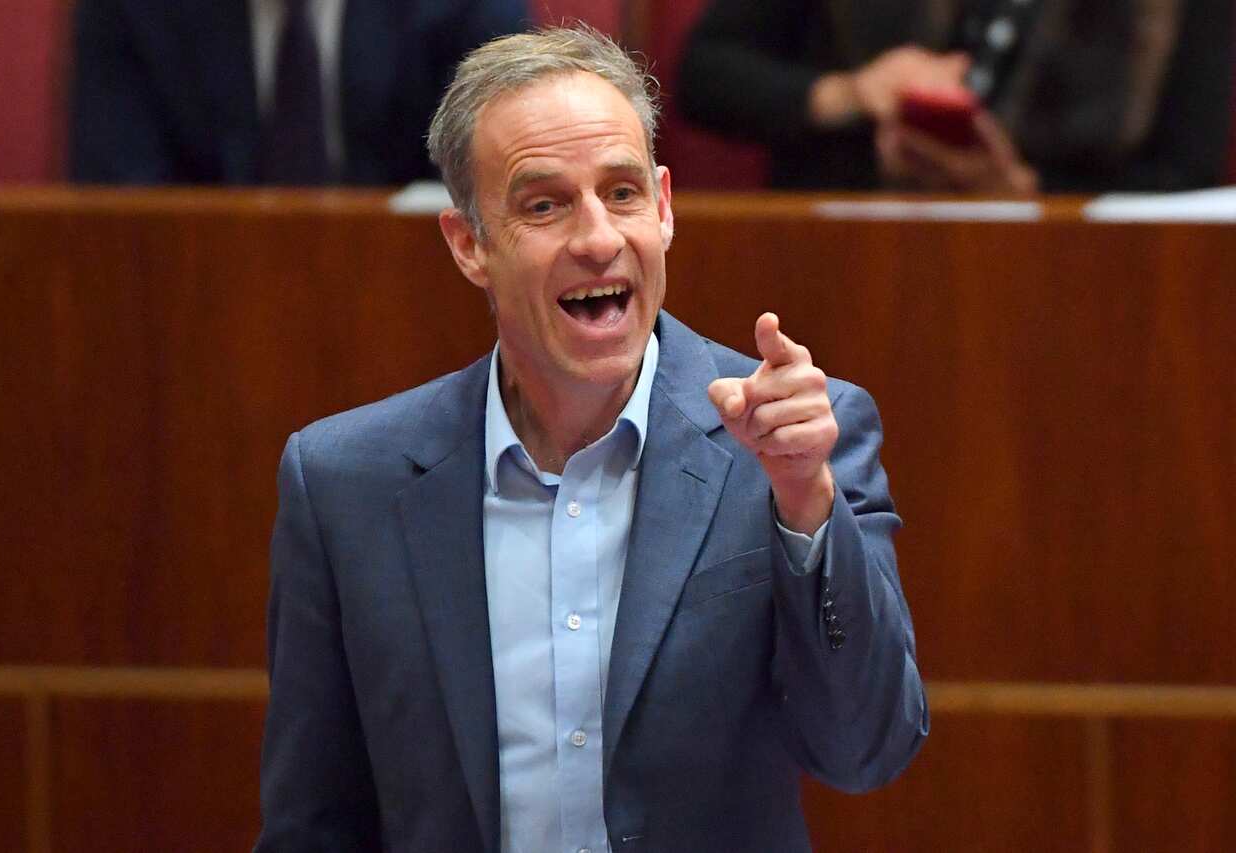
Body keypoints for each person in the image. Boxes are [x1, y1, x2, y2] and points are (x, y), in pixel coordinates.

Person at [256, 25, 928, 853]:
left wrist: (804, 503)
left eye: (622, 192)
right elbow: (311, 825)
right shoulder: (343, 482)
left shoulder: (797, 439)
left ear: (666, 207)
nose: (598, 238)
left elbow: (866, 749)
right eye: (543, 204)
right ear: (469, 245)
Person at [678, 0, 1233, 193]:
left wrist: (1021, 195)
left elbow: (1185, 177)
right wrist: (854, 93)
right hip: (845, 258)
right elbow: (704, 74)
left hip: (1078, 281)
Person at [68, 0, 529, 185]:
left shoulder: (461, 6)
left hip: (413, 301)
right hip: (193, 307)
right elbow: (118, 207)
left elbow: (496, 185)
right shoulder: (132, 9)